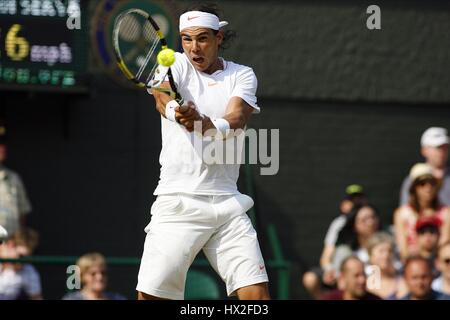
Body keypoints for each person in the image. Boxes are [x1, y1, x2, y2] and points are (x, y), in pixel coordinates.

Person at [136, 3, 269, 300]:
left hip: (227, 205)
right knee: (151, 298)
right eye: (186, 39)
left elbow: (237, 117)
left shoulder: (242, 75)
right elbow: (161, 97)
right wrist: (175, 112)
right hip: (179, 201)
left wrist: (206, 124)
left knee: (256, 297)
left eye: (203, 38)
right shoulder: (175, 64)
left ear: (219, 37)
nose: (194, 48)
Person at [302, 185, 367, 299]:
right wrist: (330, 271)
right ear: (343, 205)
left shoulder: (371, 222)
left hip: (360, 273)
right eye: (353, 201)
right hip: (338, 273)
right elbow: (326, 257)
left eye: (359, 200)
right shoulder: (338, 224)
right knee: (310, 278)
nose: (357, 205)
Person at [394, 163, 450, 261]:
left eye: (432, 183)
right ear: (414, 188)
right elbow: (403, 250)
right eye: (422, 184)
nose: (428, 188)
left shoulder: (446, 212)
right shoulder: (401, 214)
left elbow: (444, 244)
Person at [400, 127, 450, 206]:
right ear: (424, 150)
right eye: (437, 147)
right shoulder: (412, 180)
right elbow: (406, 212)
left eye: (445, 147)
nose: (442, 151)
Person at [0, 133, 32, 237]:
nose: (3, 148)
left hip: (12, 245)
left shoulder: (14, 178)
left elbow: (22, 214)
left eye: (3, 144)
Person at [0, 227, 42, 300]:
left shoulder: (28, 270)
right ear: (11, 244)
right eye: (21, 256)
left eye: (27, 258)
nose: (22, 262)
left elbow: (36, 297)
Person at [365, 232, 407, 299]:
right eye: (381, 251)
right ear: (370, 256)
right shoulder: (365, 285)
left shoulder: (402, 281)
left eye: (390, 251)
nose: (386, 255)